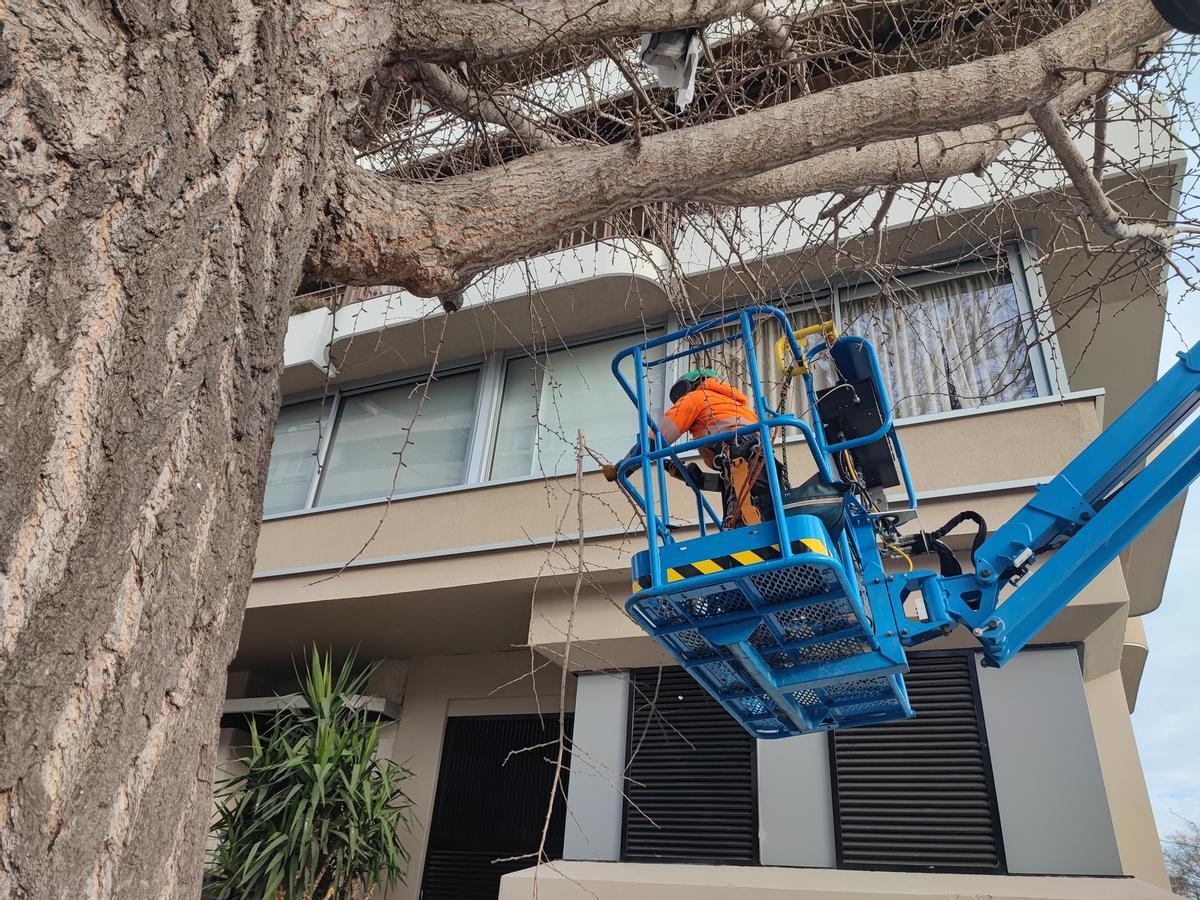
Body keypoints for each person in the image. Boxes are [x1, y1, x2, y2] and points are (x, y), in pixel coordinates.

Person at [619, 368, 781, 526]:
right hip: (768, 475)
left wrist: (627, 464)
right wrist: (695, 477)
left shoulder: (697, 397)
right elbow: (727, 483)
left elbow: (659, 437)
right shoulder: (744, 411)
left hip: (742, 466)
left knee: (740, 526)